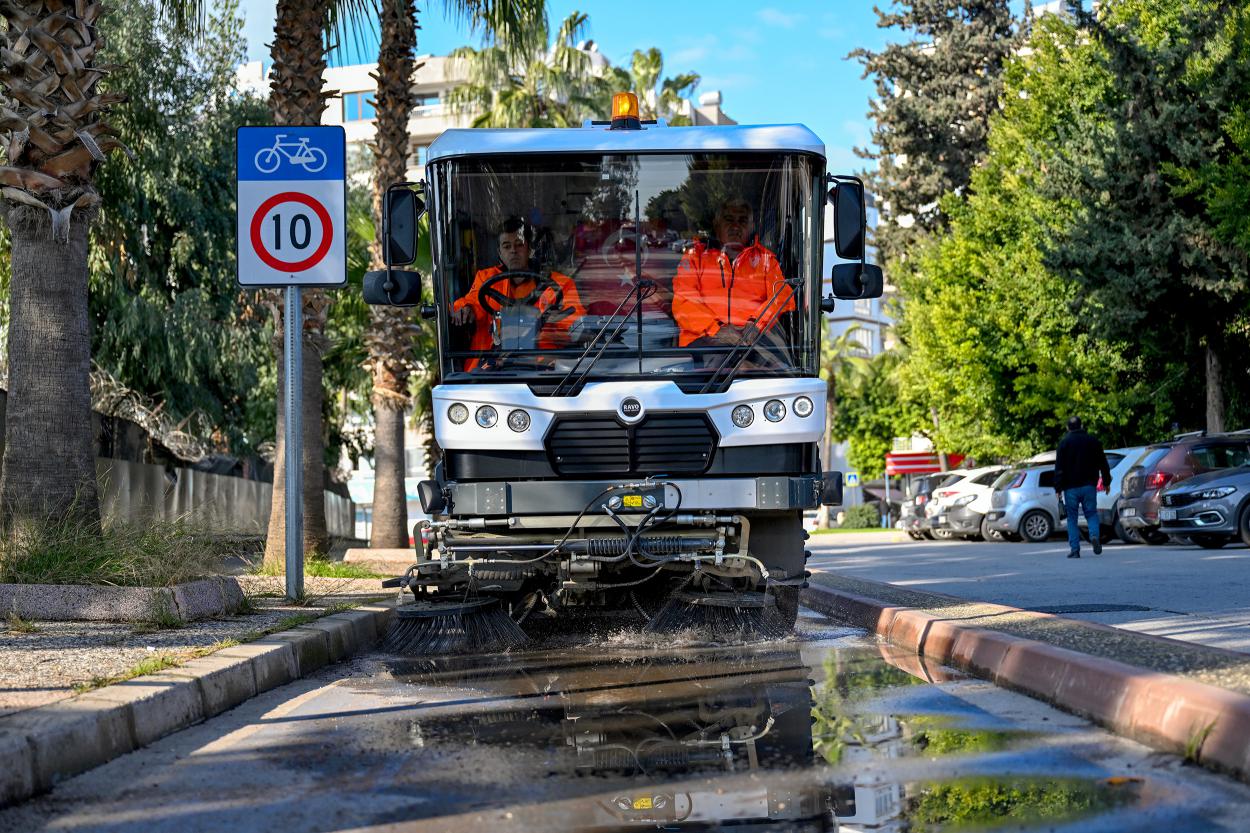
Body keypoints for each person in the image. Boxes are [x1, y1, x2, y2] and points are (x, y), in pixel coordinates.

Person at [450, 217, 584, 371]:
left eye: (519, 245)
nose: (513, 250)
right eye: (507, 246)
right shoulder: (485, 278)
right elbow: (472, 303)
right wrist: (466, 309)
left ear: (529, 249)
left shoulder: (560, 284)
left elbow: (576, 325)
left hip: (545, 368)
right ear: (500, 252)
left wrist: (553, 323)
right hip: (490, 368)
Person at [671, 197, 795, 355]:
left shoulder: (766, 260)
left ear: (751, 227)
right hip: (702, 346)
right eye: (729, 220)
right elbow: (683, 302)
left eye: (742, 221)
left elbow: (782, 297)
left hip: (752, 345)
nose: (735, 226)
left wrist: (756, 324)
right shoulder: (696, 257)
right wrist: (717, 330)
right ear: (717, 225)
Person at [1054, 416, 1112, 559]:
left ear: (1068, 428)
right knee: (1091, 514)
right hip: (1089, 486)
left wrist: (1058, 488)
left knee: (1072, 518)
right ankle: (1094, 536)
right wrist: (1106, 482)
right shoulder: (1093, 441)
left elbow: (1059, 468)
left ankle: (1075, 550)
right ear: (1082, 425)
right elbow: (1103, 463)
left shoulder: (1064, 443)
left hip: (1070, 488)